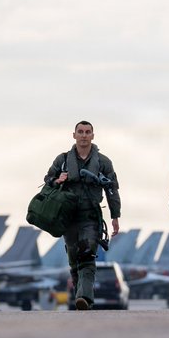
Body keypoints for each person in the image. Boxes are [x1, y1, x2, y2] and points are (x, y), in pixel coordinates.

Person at [45, 120, 121, 311]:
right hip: (68, 216)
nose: (84, 135)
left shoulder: (103, 162)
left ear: (93, 136)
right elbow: (47, 180)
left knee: (87, 255)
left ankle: (84, 298)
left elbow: (112, 190)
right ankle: (81, 293)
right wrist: (57, 180)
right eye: (81, 132)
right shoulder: (62, 160)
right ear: (74, 135)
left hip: (90, 217)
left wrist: (115, 216)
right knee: (73, 259)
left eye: (88, 132)